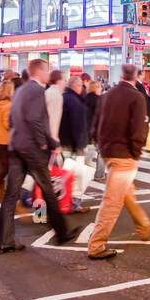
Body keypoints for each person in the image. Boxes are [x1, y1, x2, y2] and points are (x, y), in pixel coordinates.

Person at [0, 59, 80, 253]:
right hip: (32, 148)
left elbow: (12, 119)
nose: (49, 73)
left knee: (11, 196)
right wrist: (48, 142)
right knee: (48, 190)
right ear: (39, 72)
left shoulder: (21, 90)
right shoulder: (36, 91)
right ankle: (63, 232)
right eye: (47, 70)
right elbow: (36, 120)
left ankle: (4, 241)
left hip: (16, 145)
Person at [87, 63, 150, 260]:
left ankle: (144, 225)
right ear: (136, 76)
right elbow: (138, 129)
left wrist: (100, 144)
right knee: (113, 200)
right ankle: (96, 245)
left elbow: (95, 123)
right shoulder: (136, 97)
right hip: (124, 154)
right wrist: (135, 153)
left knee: (127, 191)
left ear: (121, 75)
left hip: (108, 151)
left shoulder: (107, 95)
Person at [57, 74, 92, 212]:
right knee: (75, 177)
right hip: (70, 145)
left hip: (59, 144)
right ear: (77, 86)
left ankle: (42, 213)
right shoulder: (75, 102)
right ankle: (72, 205)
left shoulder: (62, 98)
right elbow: (78, 126)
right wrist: (80, 147)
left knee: (56, 177)